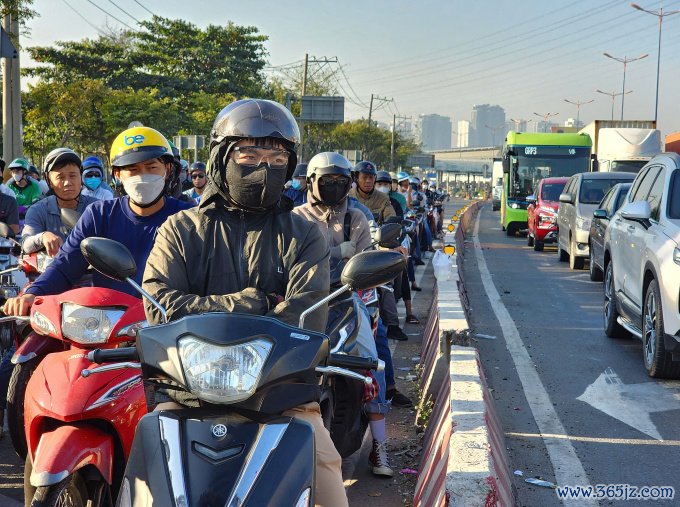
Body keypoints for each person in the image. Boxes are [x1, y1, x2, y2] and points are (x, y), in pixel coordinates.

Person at [141, 99, 347, 506]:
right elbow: (159, 304)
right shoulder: (180, 229)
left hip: (283, 400)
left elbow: (306, 316)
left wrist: (202, 305)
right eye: (249, 153)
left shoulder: (304, 234)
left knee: (329, 488)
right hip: (185, 395)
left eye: (276, 156)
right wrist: (250, 303)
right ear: (222, 157)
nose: (262, 166)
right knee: (141, 490)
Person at [3, 126, 193, 316]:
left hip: (170, 321)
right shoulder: (99, 214)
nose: (142, 176)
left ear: (167, 170)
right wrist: (32, 293)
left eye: (151, 167)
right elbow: (65, 265)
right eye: (132, 169)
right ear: (117, 174)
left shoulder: (187, 217)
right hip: (111, 325)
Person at [293, 151, 395, 477]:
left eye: (341, 181)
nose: (335, 187)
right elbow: (289, 264)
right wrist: (337, 251)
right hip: (301, 303)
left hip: (348, 300)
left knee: (371, 363)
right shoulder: (294, 218)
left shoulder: (358, 218)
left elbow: (366, 264)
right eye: (328, 181)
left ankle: (380, 448)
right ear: (311, 182)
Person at [22, 148, 99, 255]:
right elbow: (26, 244)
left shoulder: (98, 209)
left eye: (72, 175)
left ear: (81, 177)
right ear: (49, 181)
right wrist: (42, 237)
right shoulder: (37, 210)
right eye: (60, 177)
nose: (67, 182)